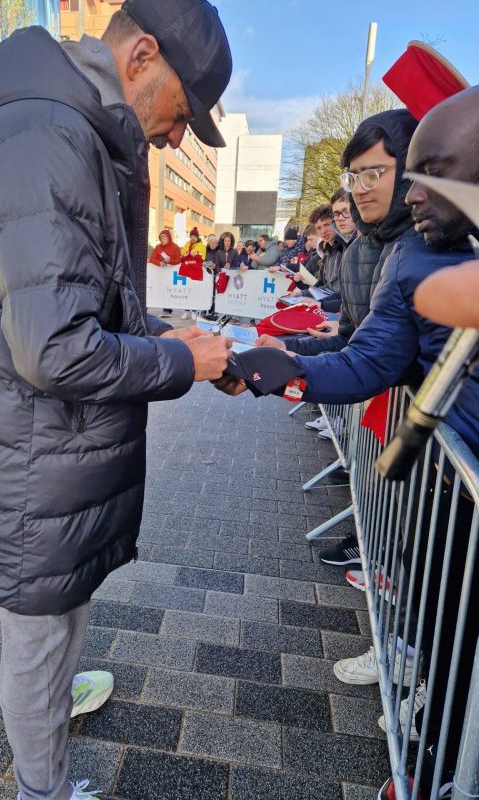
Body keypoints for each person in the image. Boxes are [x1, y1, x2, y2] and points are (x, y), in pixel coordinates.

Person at [0, 3, 232, 800]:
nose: (178, 136)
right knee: (38, 641)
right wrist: (176, 361)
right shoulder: (49, 136)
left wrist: (170, 339)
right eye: (183, 111)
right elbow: (56, 348)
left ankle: (49, 733)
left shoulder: (71, 129)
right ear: (143, 56)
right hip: (26, 464)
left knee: (51, 632)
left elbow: (86, 302)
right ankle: (41, 790)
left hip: (32, 455)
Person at [217, 85, 479, 800]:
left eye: (430, 171)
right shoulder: (412, 262)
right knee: (447, 635)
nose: (408, 193)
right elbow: (369, 360)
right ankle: (434, 762)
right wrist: (290, 370)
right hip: (452, 496)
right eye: (353, 176)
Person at [267, 109, 418, 357]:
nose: (359, 190)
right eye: (352, 178)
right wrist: (285, 352)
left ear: (407, 171)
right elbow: (352, 342)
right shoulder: (354, 253)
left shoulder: (433, 250)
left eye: (371, 175)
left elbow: (373, 360)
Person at [150, 228, 181, 318]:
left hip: (171, 273)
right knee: (161, 288)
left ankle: (167, 310)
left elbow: (178, 260)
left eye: (164, 238)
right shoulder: (157, 247)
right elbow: (152, 258)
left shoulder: (175, 247)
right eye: (161, 238)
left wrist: (169, 260)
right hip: (160, 273)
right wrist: (159, 263)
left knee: (169, 289)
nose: (162, 240)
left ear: (169, 238)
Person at [180, 226, 207, 320]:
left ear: (197, 237)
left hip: (195, 271)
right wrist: (185, 253)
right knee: (187, 291)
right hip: (187, 271)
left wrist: (196, 254)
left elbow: (203, 257)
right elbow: (182, 253)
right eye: (191, 236)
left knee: (194, 291)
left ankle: (194, 311)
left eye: (194, 236)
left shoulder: (202, 245)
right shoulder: (187, 243)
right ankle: (186, 311)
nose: (192, 238)